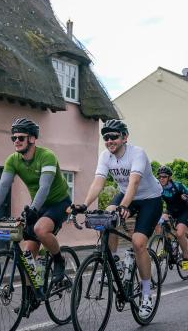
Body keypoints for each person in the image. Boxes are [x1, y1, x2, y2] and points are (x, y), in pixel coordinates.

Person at [72, 119, 163, 318]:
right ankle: (116, 262)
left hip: (149, 198)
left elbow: (135, 182)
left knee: (139, 243)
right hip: (126, 195)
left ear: (124, 137)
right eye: (105, 137)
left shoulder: (137, 153)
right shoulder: (106, 156)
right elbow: (98, 182)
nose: (109, 140)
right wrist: (84, 205)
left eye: (113, 136)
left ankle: (146, 294)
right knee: (105, 217)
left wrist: (124, 206)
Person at [0, 118, 72, 285]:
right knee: (27, 256)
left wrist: (33, 210)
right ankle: (32, 295)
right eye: (13, 138)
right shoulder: (13, 160)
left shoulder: (47, 156)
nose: (16, 141)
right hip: (38, 206)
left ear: (32, 139)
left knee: (40, 229)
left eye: (20, 137)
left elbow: (44, 187)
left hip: (59, 203)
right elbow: (3, 185)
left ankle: (59, 260)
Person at [156, 165, 188, 271]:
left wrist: (186, 197)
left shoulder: (178, 186)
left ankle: (186, 257)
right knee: (160, 223)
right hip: (171, 211)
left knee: (179, 234)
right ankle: (167, 248)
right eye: (160, 177)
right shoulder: (158, 187)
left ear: (169, 178)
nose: (161, 179)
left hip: (183, 212)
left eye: (164, 177)